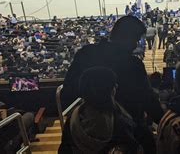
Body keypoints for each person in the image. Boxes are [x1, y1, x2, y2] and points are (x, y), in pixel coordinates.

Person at [61, 16, 163, 154]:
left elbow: (67, 93)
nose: (135, 45)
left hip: (82, 127)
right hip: (129, 133)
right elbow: (148, 100)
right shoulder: (133, 65)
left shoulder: (85, 54)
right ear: (127, 38)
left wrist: (81, 120)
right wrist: (165, 121)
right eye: (136, 40)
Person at [59, 67, 141, 154]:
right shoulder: (121, 124)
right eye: (113, 85)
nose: (116, 86)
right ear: (110, 91)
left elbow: (63, 150)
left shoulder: (72, 119)